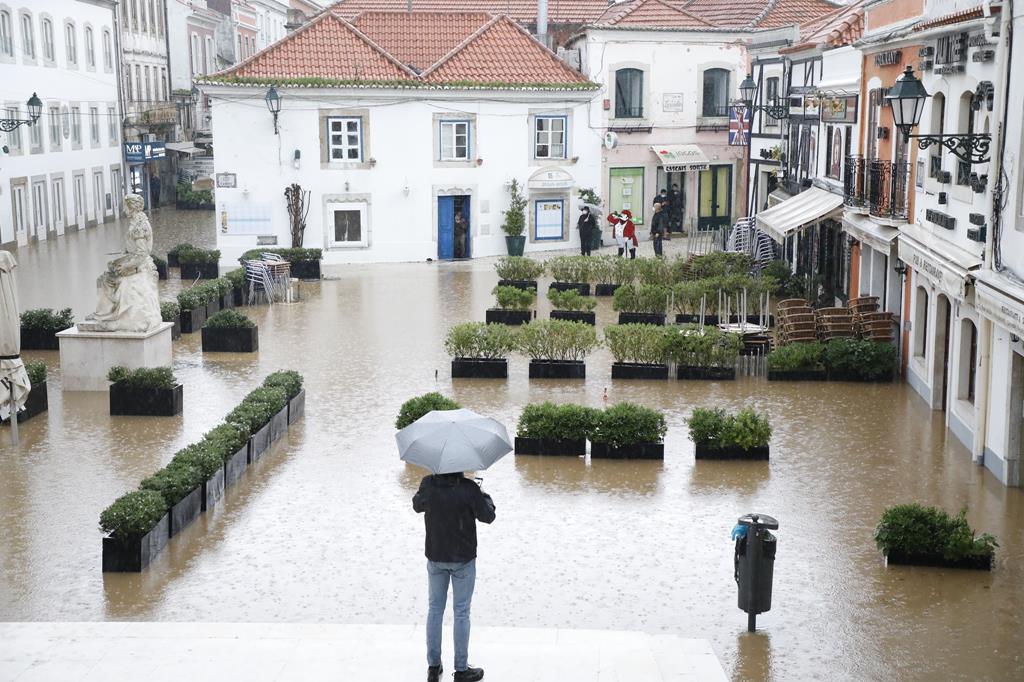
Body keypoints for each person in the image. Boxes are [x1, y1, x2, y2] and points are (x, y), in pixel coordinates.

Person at [413, 472, 496, 682]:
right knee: (461, 613)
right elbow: (488, 516)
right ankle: (461, 669)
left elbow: (416, 505)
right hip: (463, 559)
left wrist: (424, 492)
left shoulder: (428, 484)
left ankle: (433, 668)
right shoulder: (469, 488)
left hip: (436, 556)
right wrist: (482, 493)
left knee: (435, 610)